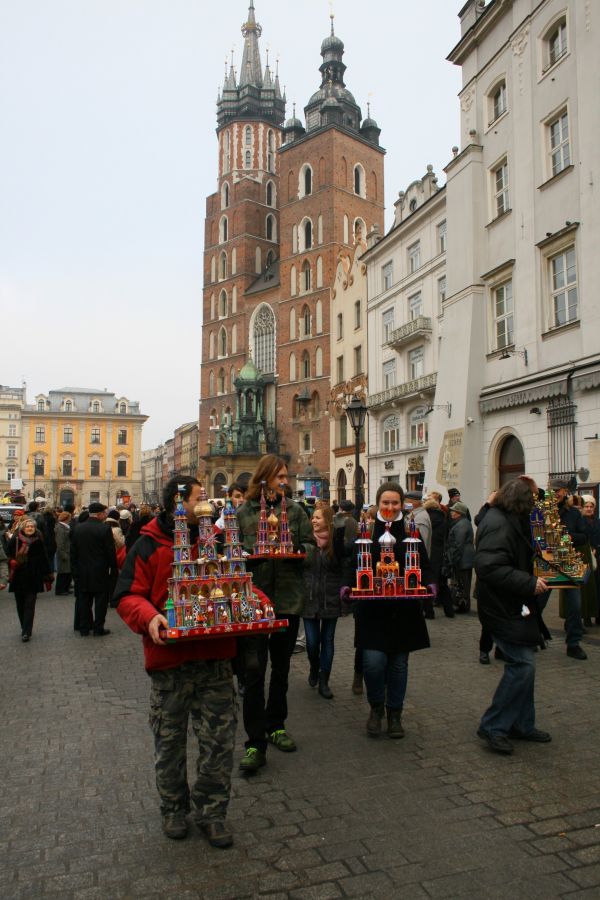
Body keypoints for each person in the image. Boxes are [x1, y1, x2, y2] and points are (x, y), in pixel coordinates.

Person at [113, 476, 237, 846]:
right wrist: (149, 617)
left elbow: (239, 579)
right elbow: (127, 596)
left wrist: (256, 607)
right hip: (169, 662)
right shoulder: (149, 544)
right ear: (178, 503)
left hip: (214, 658)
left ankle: (212, 812)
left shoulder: (218, 541)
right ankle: (173, 809)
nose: (209, 505)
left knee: (218, 742)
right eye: (201, 498)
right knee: (169, 743)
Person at [236, 454, 314, 773]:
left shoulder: (295, 511)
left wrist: (299, 554)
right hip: (254, 601)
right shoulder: (245, 512)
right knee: (253, 672)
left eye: (286, 476)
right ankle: (254, 742)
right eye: (278, 476)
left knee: (281, 668)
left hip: (287, 598)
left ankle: (276, 725)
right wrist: (246, 557)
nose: (284, 481)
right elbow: (231, 550)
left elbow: (310, 546)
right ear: (264, 478)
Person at [475, 478, 551, 754]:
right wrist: (528, 582)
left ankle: (522, 724)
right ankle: (494, 725)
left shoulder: (510, 519)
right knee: (523, 665)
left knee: (524, 664)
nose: (536, 504)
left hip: (512, 604)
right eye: (532, 499)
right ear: (520, 501)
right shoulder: (499, 523)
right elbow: (489, 567)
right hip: (501, 606)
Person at [355, 483, 431, 739]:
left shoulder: (411, 530)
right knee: (374, 664)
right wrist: (347, 587)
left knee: (398, 664)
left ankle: (395, 713)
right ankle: (376, 707)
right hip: (372, 610)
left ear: (402, 504)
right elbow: (351, 560)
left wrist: (429, 583)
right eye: (385, 503)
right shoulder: (366, 528)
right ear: (378, 503)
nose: (390, 508)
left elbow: (423, 561)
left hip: (403, 610)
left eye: (395, 503)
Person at [303, 505, 352, 699]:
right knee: (312, 642)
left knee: (328, 641)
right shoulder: (306, 541)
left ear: (328, 520)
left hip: (330, 598)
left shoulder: (337, 542)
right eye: (313, 518)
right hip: (309, 597)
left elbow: (342, 558)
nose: (314, 521)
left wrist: (339, 533)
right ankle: (314, 667)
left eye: (318, 518)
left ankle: (324, 680)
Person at [551, 479, 588, 659]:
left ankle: (573, 643)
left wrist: (566, 536)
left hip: (568, 561)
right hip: (547, 561)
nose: (555, 493)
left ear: (565, 491)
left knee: (575, 605)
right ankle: (532, 637)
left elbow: (583, 537)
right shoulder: (543, 511)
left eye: (557, 490)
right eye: (552, 490)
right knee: (536, 603)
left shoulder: (573, 514)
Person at [70, 501, 117, 637]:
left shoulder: (78, 528)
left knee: (84, 600)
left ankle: (84, 628)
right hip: (100, 571)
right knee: (101, 601)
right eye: (105, 513)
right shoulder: (104, 529)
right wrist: (113, 568)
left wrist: (75, 571)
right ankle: (98, 628)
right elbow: (110, 551)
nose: (106, 515)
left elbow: (73, 552)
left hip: (82, 570)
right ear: (100, 514)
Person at [7, 516, 53, 641]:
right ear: (23, 528)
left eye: (32, 526)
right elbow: (8, 554)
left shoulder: (38, 540)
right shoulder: (15, 539)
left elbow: (44, 558)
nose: (30, 528)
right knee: (20, 604)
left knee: (30, 605)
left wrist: (48, 575)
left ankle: (26, 631)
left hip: (34, 577)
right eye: (28, 526)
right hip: (18, 576)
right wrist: (11, 561)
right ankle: (24, 626)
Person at [446, 501, 474, 613]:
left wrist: (453, 560)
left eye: (454, 511)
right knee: (463, 583)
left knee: (462, 583)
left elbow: (458, 544)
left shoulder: (461, 525)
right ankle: (463, 605)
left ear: (459, 513)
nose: (451, 512)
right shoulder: (463, 523)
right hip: (465, 558)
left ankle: (463, 605)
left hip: (463, 559)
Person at [581, 495, 600, 624]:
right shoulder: (580, 521)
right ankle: (586, 616)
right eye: (586, 506)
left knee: (598, 587)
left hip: (598, 557)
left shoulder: (598, 522)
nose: (588, 509)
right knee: (587, 587)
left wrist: (597, 548)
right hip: (585, 558)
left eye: (591, 506)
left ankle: (598, 615)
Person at [54, 511, 72, 595]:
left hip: (67, 551)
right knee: (63, 572)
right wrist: (63, 554)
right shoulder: (61, 528)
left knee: (67, 572)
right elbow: (60, 543)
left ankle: (65, 588)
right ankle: (60, 589)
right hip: (64, 552)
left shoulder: (65, 527)